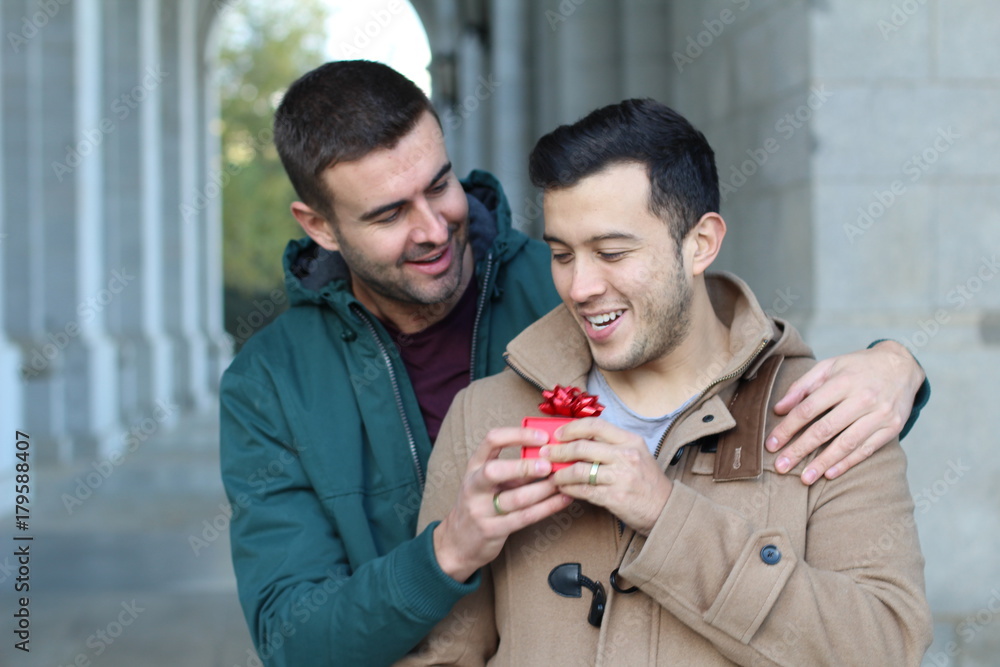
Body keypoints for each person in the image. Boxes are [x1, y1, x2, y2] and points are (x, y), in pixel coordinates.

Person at [219, 61, 929, 666]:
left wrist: (900, 366)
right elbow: (299, 636)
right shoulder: (272, 385)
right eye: (387, 214)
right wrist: (447, 552)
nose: (435, 228)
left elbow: (707, 332)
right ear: (319, 224)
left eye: (440, 185)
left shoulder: (579, 291)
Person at [404, 99, 932, 665]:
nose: (579, 286)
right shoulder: (484, 415)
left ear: (701, 242)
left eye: (611, 252)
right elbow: (442, 657)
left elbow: (883, 649)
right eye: (561, 254)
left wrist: (667, 516)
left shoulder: (835, 412)